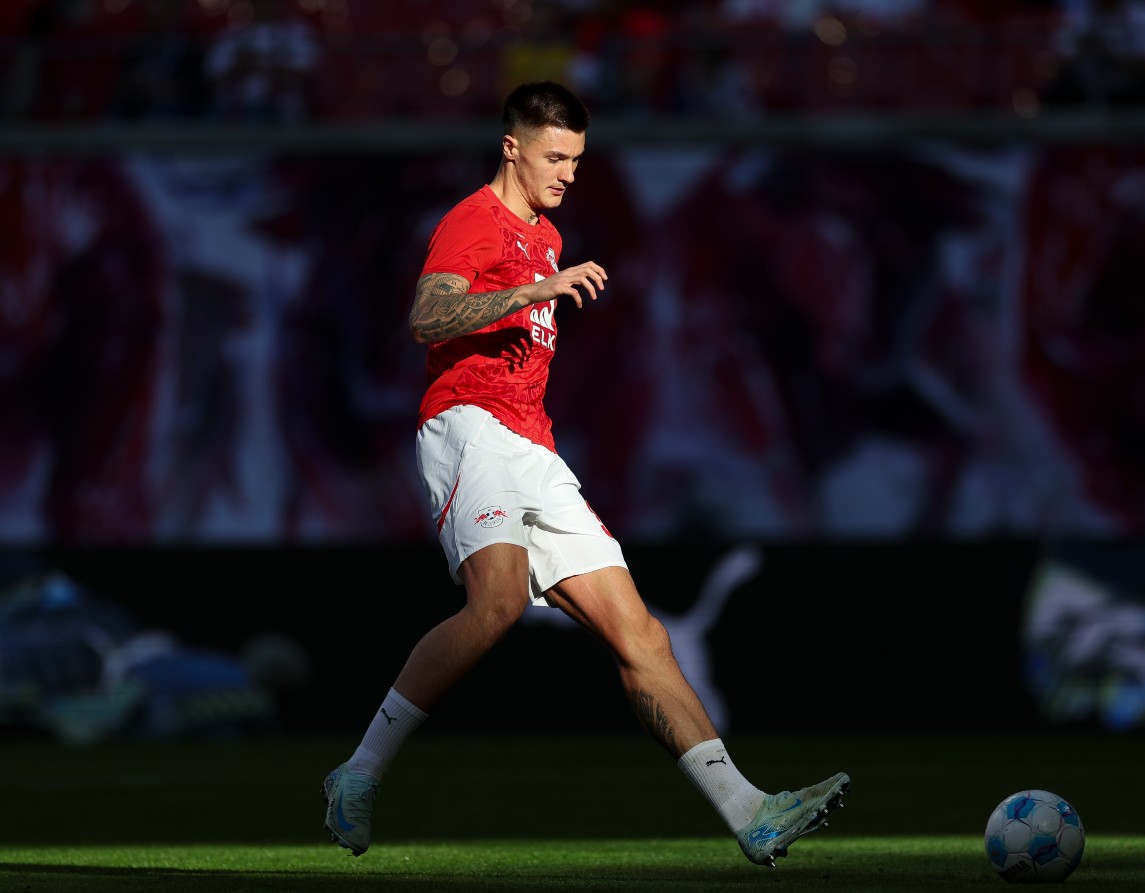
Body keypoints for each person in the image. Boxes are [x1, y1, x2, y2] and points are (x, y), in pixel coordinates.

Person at [319, 80, 851, 869]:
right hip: (468, 427)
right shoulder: (476, 221)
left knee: (642, 633)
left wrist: (541, 279)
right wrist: (533, 290)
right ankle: (358, 772)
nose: (568, 172)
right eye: (554, 156)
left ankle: (750, 810)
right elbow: (427, 317)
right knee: (496, 602)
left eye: (577, 158)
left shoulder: (549, 235)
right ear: (512, 147)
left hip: (534, 448)